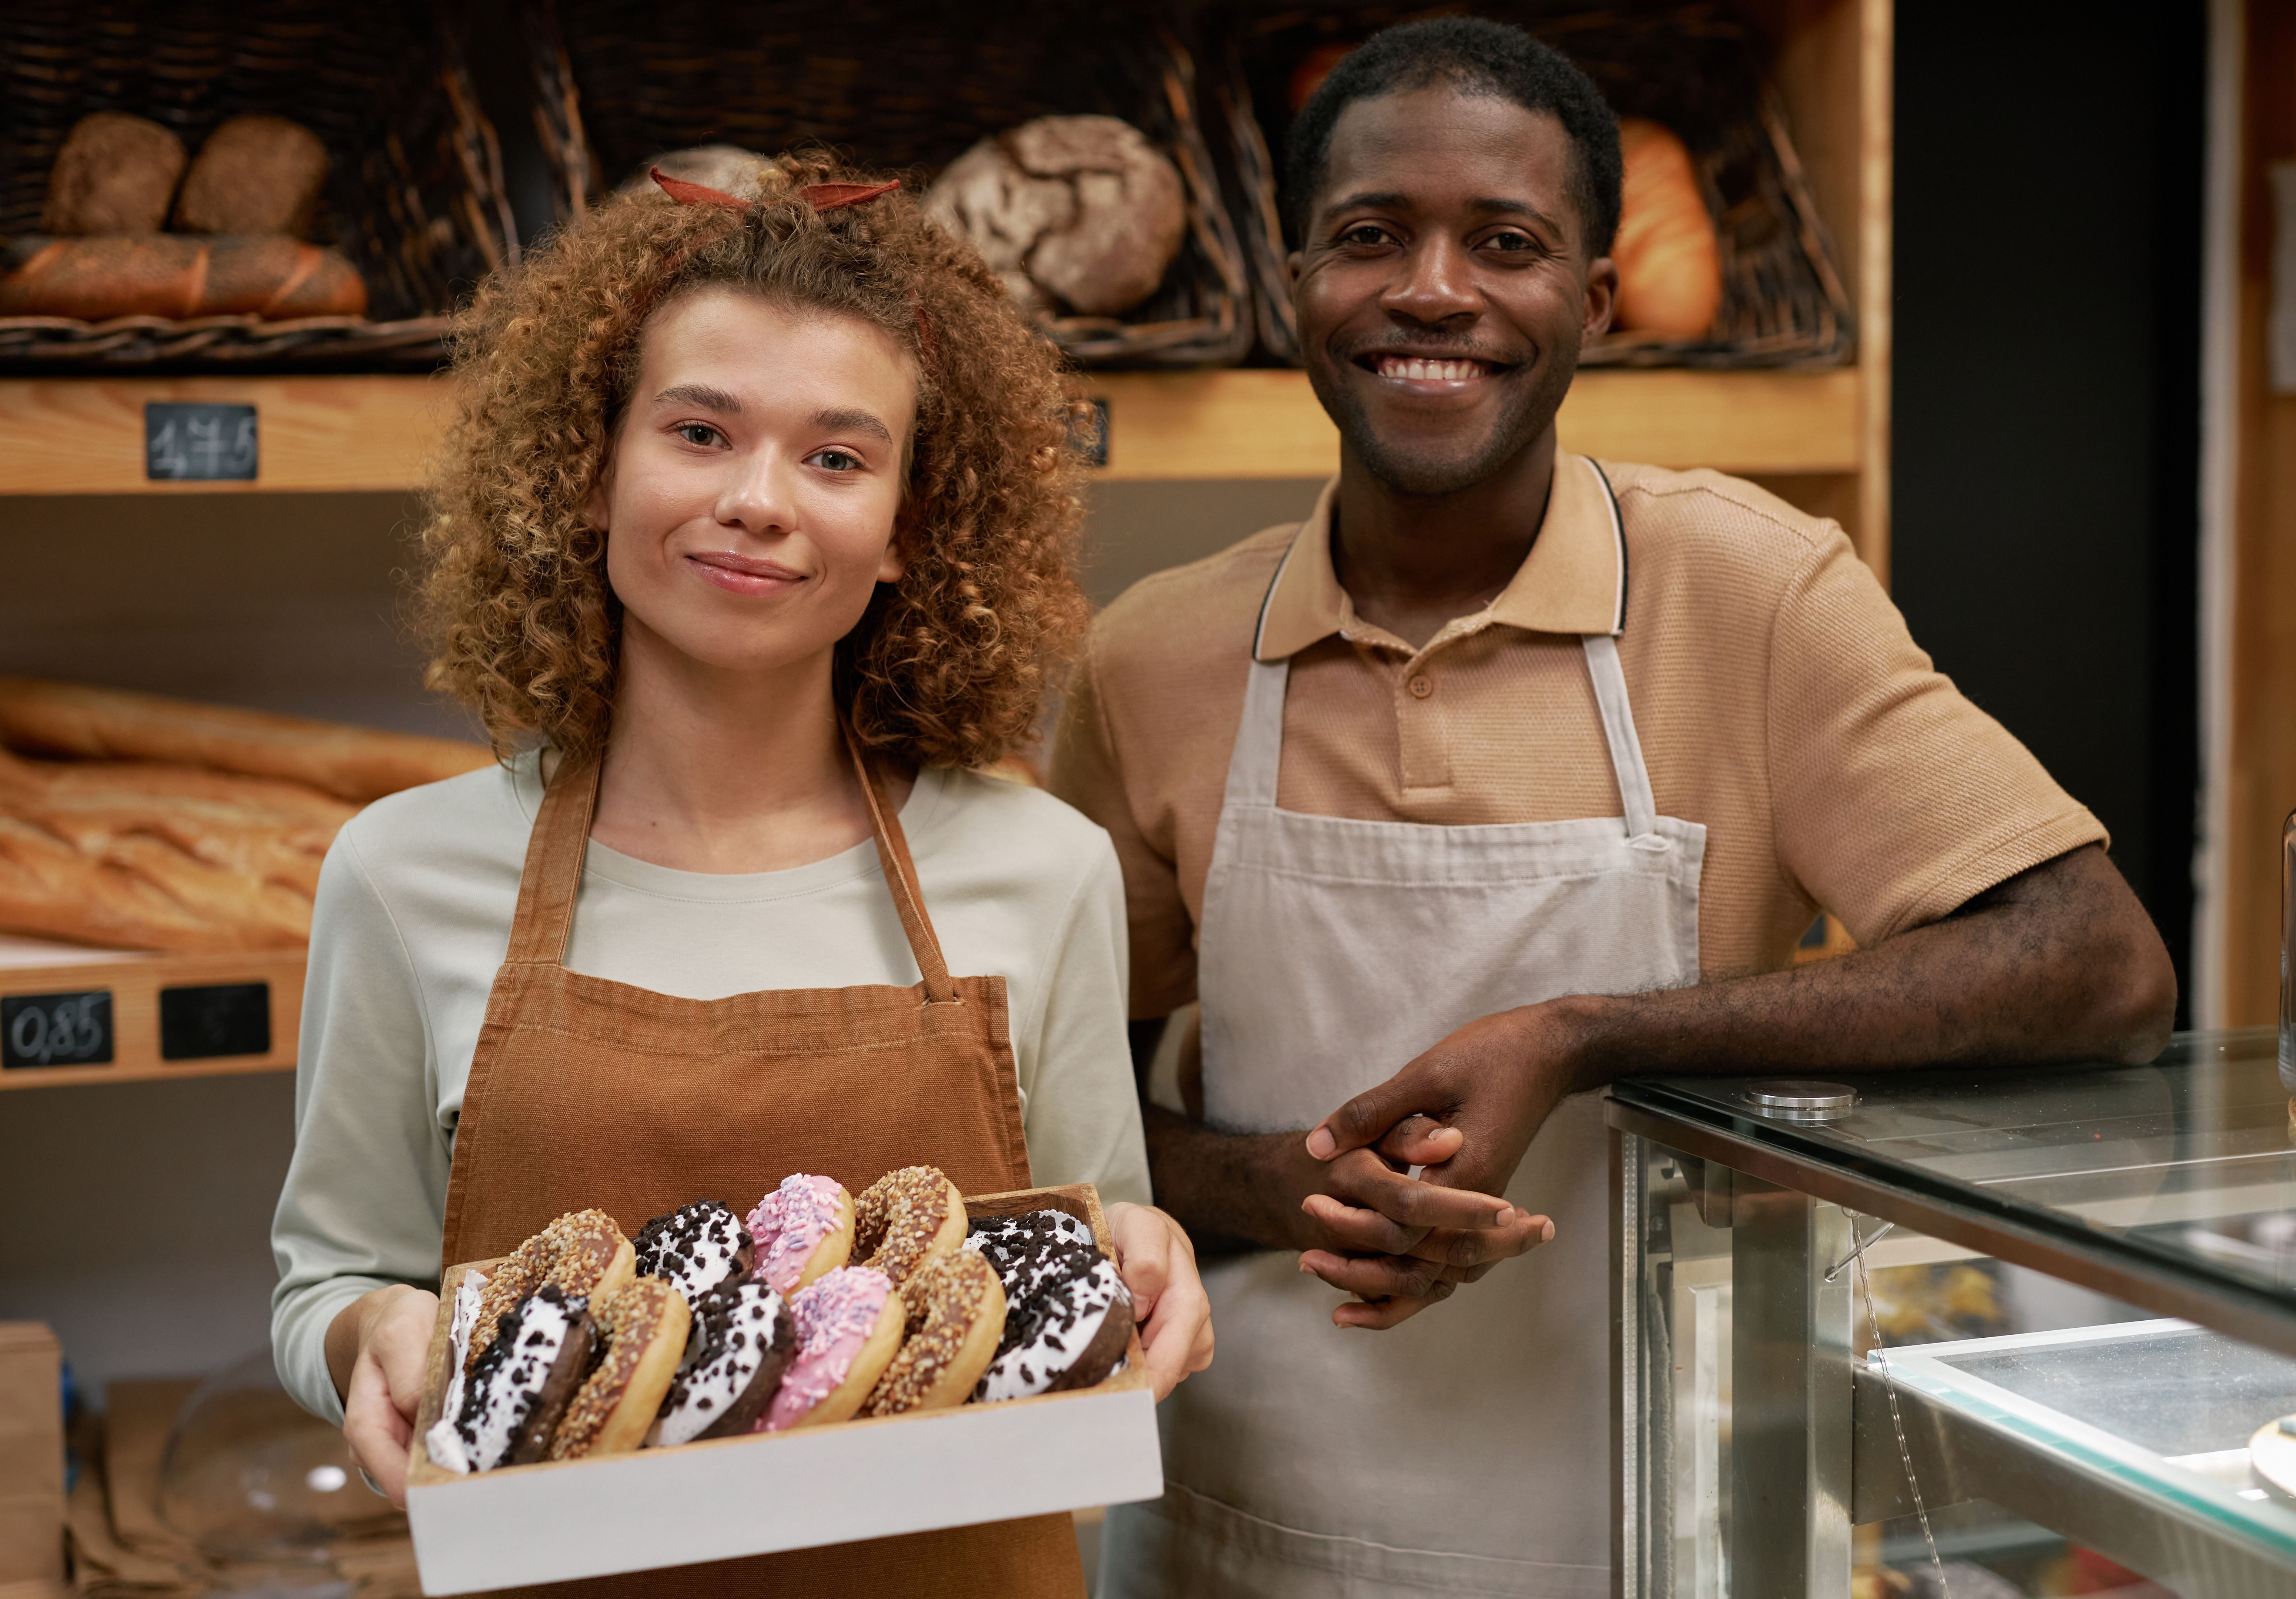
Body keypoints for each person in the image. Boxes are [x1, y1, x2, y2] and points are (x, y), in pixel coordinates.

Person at [1049, 18, 2176, 1598]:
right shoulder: (1153, 655)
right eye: (1372, 236)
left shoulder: (1755, 591)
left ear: (1591, 304)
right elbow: (1059, 1096)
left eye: (1503, 244)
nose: (1433, 289)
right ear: (1295, 281)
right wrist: (1311, 1195)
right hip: (1242, 1536)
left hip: (1647, 1530)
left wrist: (1585, 1036)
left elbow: (2096, 963)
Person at [270, 154, 1211, 1597]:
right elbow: (328, 1279)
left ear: (906, 529)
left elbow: (1090, 1262)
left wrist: (1148, 1263)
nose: (762, 500)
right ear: (593, 471)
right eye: (700, 432)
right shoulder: (405, 874)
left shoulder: (1045, 869)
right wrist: (364, 1342)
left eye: (838, 458)